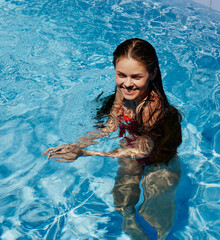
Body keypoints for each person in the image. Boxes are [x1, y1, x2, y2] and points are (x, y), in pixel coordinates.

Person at [44, 38, 182, 240]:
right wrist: (77, 145)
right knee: (122, 202)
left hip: (160, 160)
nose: (127, 83)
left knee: (155, 212)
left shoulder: (152, 109)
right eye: (121, 75)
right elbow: (111, 124)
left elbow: (144, 150)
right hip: (130, 149)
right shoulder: (122, 91)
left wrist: (86, 153)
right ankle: (132, 227)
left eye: (136, 77)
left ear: (152, 74)